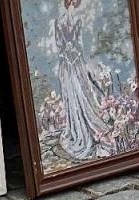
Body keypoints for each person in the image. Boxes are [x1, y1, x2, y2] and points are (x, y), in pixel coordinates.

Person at [49, 0, 112, 162]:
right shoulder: (68, 21)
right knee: (73, 95)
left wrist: (71, 52)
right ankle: (78, 129)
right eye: (72, 4)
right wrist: (73, 52)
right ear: (70, 4)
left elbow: (66, 43)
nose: (73, 7)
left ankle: (84, 127)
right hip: (71, 63)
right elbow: (71, 43)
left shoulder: (68, 21)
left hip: (72, 62)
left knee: (81, 94)